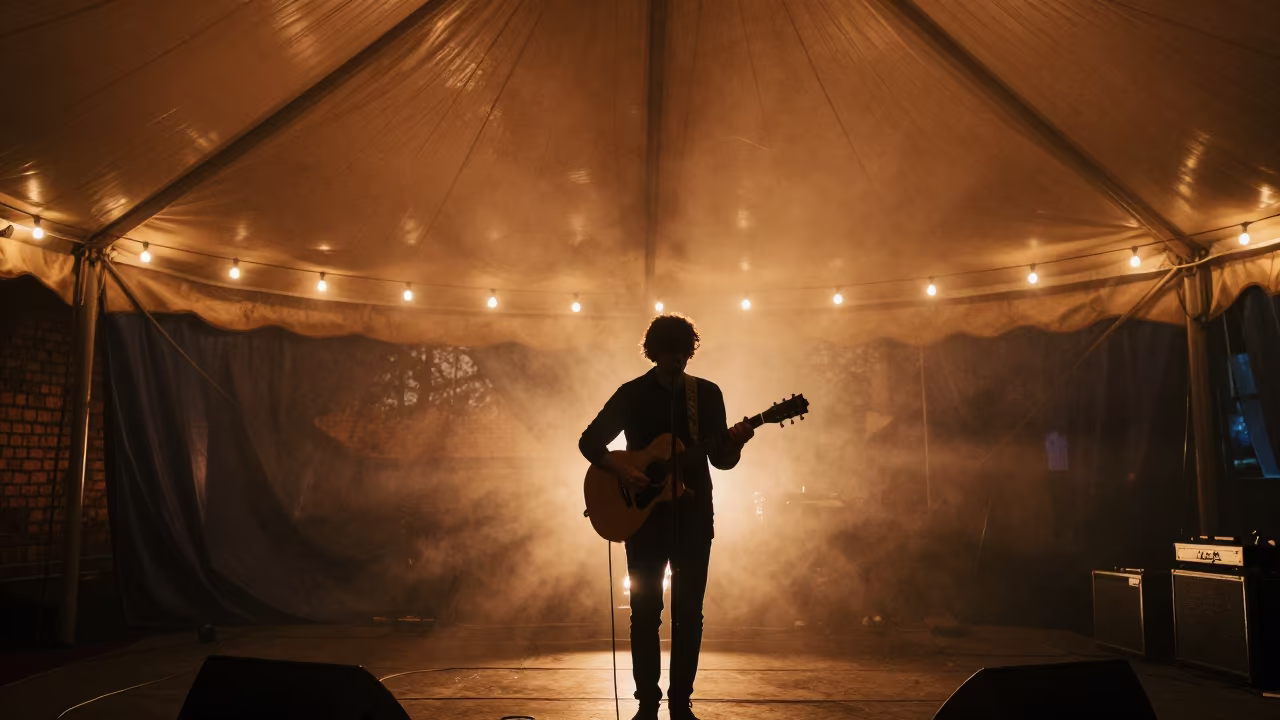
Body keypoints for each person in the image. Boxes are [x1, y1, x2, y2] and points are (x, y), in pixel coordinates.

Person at [579, 313, 754, 720]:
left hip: (694, 514)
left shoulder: (706, 394)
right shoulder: (632, 394)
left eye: (683, 353)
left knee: (689, 612)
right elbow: (589, 441)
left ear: (690, 352)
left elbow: (721, 460)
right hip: (643, 518)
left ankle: (680, 702)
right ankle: (645, 704)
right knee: (645, 613)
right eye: (669, 353)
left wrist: (738, 442)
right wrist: (622, 470)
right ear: (653, 353)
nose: (677, 361)